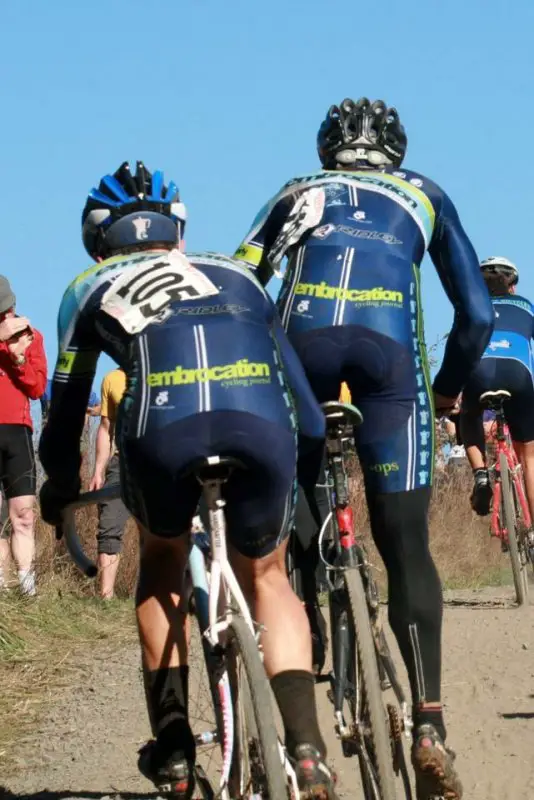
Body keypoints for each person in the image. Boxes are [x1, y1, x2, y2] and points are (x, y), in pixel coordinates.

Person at [38, 161, 335, 799]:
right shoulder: (235, 273)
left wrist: (58, 489)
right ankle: (308, 751)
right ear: (177, 233)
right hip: (259, 421)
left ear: (97, 241)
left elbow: (66, 408)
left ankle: (173, 755)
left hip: (160, 430)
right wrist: (311, 459)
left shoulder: (88, 285)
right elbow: (303, 402)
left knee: (164, 560)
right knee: (268, 577)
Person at [234, 97, 495, 800]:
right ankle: (429, 724)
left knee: (287, 517)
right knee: (406, 544)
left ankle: (304, 629)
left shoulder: (295, 192)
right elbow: (476, 314)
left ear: (327, 151)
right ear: (397, 152)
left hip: (301, 344)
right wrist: (444, 393)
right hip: (389, 362)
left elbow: (238, 283)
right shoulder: (424, 194)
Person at [460, 257, 534, 522]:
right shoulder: (527, 307)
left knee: (468, 416)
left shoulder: (470, 307)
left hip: (478, 373)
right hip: (518, 374)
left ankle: (481, 475)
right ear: (512, 286)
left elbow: (459, 351)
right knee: (529, 456)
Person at [0, 275, 47, 595]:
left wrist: (17, 358)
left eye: (8, 312)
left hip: (16, 431)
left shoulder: (31, 336)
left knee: (24, 515)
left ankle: (27, 588)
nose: (8, 320)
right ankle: (2, 589)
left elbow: (37, 388)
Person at [89, 368, 130, 599]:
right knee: (109, 526)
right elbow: (106, 429)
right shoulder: (112, 379)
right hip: (121, 463)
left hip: (159, 463)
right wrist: (98, 470)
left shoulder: (168, 370)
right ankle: (106, 598)